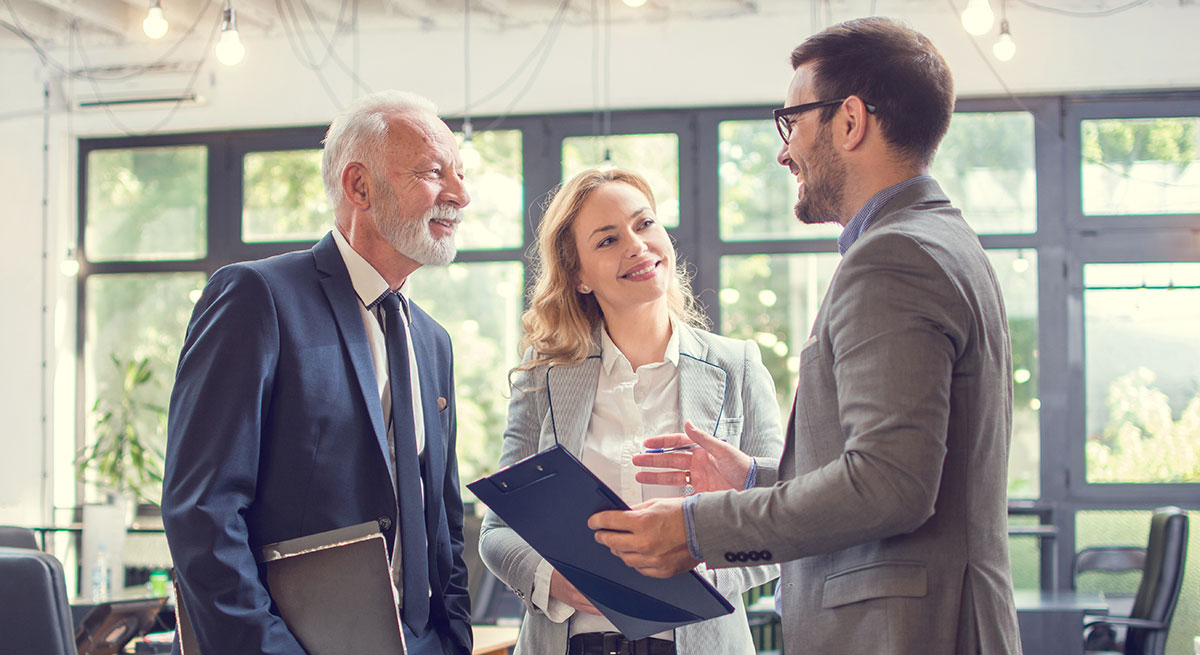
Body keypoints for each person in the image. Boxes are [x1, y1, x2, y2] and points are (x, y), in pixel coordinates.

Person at [587, 17, 1024, 654]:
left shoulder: (893, 257)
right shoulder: (940, 239)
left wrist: (697, 528)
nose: (784, 151)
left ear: (850, 122)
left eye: (791, 122)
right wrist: (753, 479)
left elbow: (890, 486)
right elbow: (901, 468)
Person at [162, 90, 473, 655]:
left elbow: (442, 518)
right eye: (434, 172)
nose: (460, 194)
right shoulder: (257, 297)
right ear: (359, 186)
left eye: (460, 174)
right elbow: (203, 512)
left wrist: (452, 640)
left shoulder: (433, 341)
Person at [478, 167, 784, 655]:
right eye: (607, 240)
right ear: (578, 276)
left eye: (644, 224)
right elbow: (497, 532)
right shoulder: (544, 376)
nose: (637, 246)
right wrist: (554, 579)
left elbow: (785, 519)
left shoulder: (738, 366)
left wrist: (696, 565)